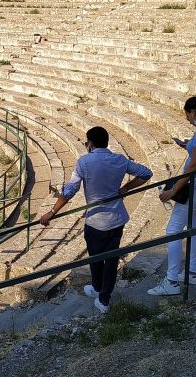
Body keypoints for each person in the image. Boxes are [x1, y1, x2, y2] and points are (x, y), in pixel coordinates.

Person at [39, 127, 153, 313]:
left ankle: (101, 294)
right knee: (111, 257)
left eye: (86, 143)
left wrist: (51, 212)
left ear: (90, 144)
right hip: (117, 217)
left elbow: (70, 191)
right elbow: (146, 173)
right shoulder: (119, 160)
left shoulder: (83, 162)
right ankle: (102, 295)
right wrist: (125, 189)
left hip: (95, 220)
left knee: (95, 256)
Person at [148, 92, 196, 296]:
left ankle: (172, 281)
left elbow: (194, 165)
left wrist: (174, 190)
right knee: (194, 227)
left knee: (173, 230)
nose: (189, 121)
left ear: (195, 112)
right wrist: (188, 146)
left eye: (188, 116)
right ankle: (192, 272)